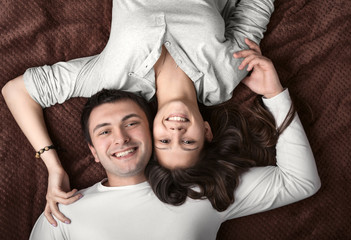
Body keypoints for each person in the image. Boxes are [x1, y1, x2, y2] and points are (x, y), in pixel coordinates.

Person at [2, 0, 277, 226]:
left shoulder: (114, 80)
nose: (176, 132)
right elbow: (257, 6)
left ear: (149, 132)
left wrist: (53, 166)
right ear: (206, 131)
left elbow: (17, 92)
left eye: (165, 142)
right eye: (189, 142)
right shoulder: (226, 77)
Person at [30, 79, 320, 239]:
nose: (120, 138)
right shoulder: (63, 213)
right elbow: (19, 92)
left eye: (132, 123)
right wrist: (52, 165)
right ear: (92, 151)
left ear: (154, 129)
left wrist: (274, 93)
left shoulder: (201, 189)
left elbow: (300, 182)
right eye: (104, 131)